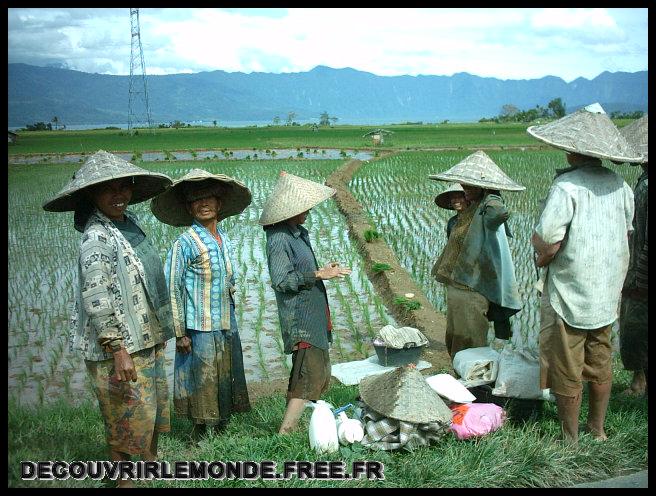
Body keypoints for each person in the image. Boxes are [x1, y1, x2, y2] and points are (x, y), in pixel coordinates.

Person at [42, 150, 174, 487]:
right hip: (118, 347)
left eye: (124, 186)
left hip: (145, 337)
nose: (119, 195)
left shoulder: (128, 225)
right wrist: (117, 349)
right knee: (123, 418)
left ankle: (149, 468)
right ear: (91, 195)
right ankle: (124, 482)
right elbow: (96, 297)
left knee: (150, 412)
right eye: (108, 189)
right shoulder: (96, 237)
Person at [528, 103, 642, 443]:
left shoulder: (567, 188)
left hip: (570, 295)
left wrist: (542, 258)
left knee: (567, 367)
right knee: (600, 362)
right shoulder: (620, 184)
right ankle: (598, 430)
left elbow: (548, 241)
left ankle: (570, 438)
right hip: (605, 294)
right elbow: (627, 234)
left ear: (570, 149)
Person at [151, 168, 253, 439]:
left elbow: (229, 280)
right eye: (196, 200)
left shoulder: (225, 240)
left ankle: (221, 426)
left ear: (219, 204)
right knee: (202, 374)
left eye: (209, 198)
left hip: (226, 321)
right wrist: (179, 331)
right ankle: (199, 430)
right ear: (188, 207)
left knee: (225, 370)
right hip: (199, 324)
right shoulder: (184, 243)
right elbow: (170, 288)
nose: (203, 204)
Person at [259, 171, 351, 434]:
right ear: (289, 209)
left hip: (314, 312)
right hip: (301, 317)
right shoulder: (278, 238)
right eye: (303, 207)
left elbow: (302, 272)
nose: (308, 210)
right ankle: (285, 432)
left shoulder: (298, 233)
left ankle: (303, 425)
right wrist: (318, 274)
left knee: (314, 372)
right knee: (307, 374)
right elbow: (282, 281)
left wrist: (321, 270)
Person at [429, 151, 524, 359]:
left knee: (470, 342)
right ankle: (459, 378)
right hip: (455, 285)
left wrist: (492, 194)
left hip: (473, 288)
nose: (462, 193)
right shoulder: (456, 221)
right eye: (463, 186)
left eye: (468, 188)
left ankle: (475, 386)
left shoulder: (485, 212)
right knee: (454, 337)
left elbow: (499, 214)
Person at [618, 115, 648, 397]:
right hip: (638, 261)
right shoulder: (643, 179)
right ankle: (640, 380)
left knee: (636, 326)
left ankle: (640, 383)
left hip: (643, 269)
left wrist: (640, 275)